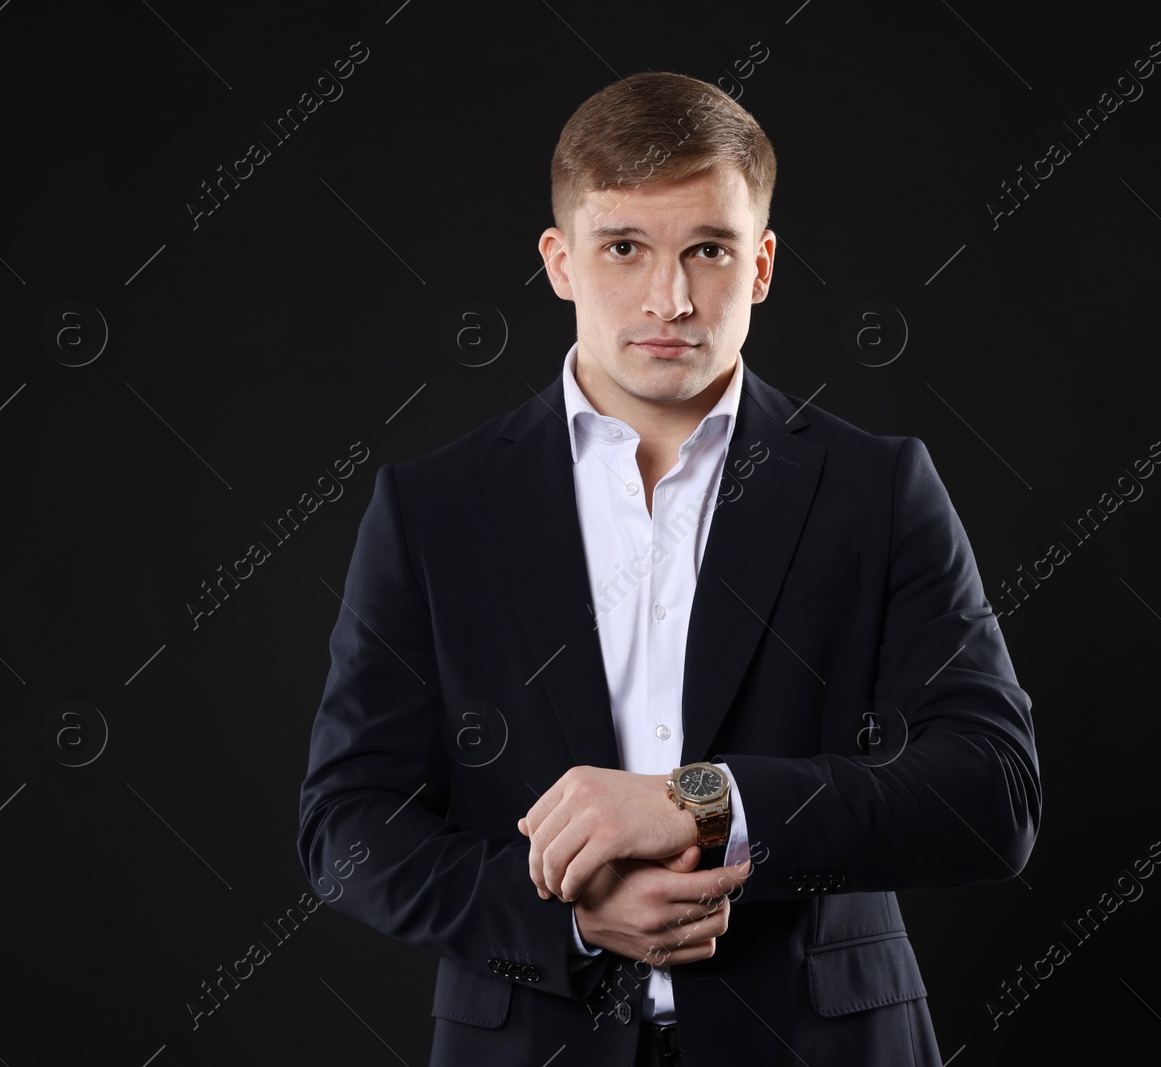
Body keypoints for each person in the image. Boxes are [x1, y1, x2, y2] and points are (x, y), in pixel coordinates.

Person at [297, 70, 1040, 1067]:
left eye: (708, 249)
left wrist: (703, 800)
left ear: (762, 262)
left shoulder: (878, 487)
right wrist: (565, 913)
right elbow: (346, 826)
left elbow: (993, 794)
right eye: (624, 249)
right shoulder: (433, 508)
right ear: (560, 262)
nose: (671, 297)